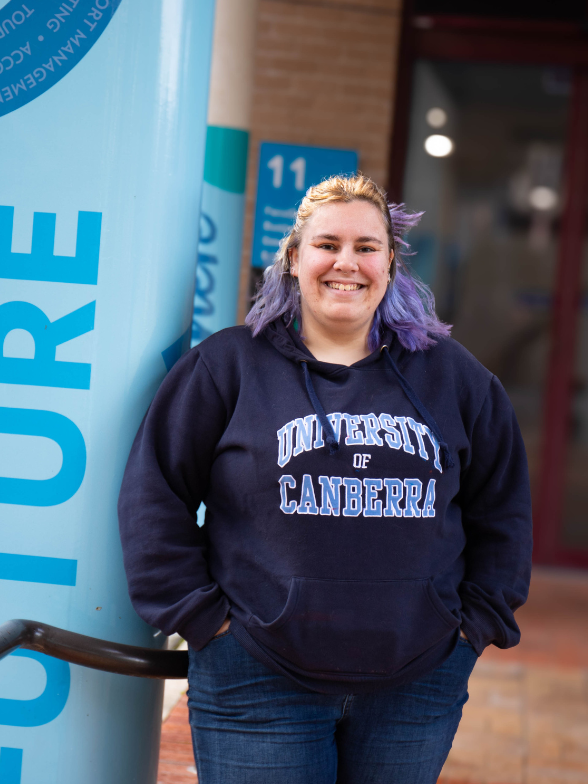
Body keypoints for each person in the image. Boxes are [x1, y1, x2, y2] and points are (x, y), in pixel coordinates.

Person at [117, 174, 532, 783]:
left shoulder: (453, 377)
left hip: (415, 685)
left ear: (390, 262)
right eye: (327, 244)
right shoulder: (228, 366)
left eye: (366, 247)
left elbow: (503, 507)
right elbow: (155, 494)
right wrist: (203, 619)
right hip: (256, 681)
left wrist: (474, 625)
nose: (347, 263)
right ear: (293, 258)